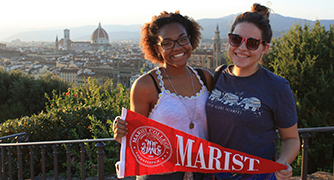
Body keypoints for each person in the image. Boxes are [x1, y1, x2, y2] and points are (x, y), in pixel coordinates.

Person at [113, 11, 213, 180]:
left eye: (182, 39)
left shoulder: (205, 78)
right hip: (160, 175)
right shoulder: (146, 85)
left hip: (202, 172)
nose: (177, 47)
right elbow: (134, 138)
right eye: (167, 43)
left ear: (190, 39)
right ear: (157, 49)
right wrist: (120, 131)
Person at [205, 3, 300, 180]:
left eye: (252, 43)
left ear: (265, 48)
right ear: (228, 40)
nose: (242, 48)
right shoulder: (218, 75)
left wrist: (282, 162)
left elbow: (291, 139)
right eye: (236, 39)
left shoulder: (277, 87)